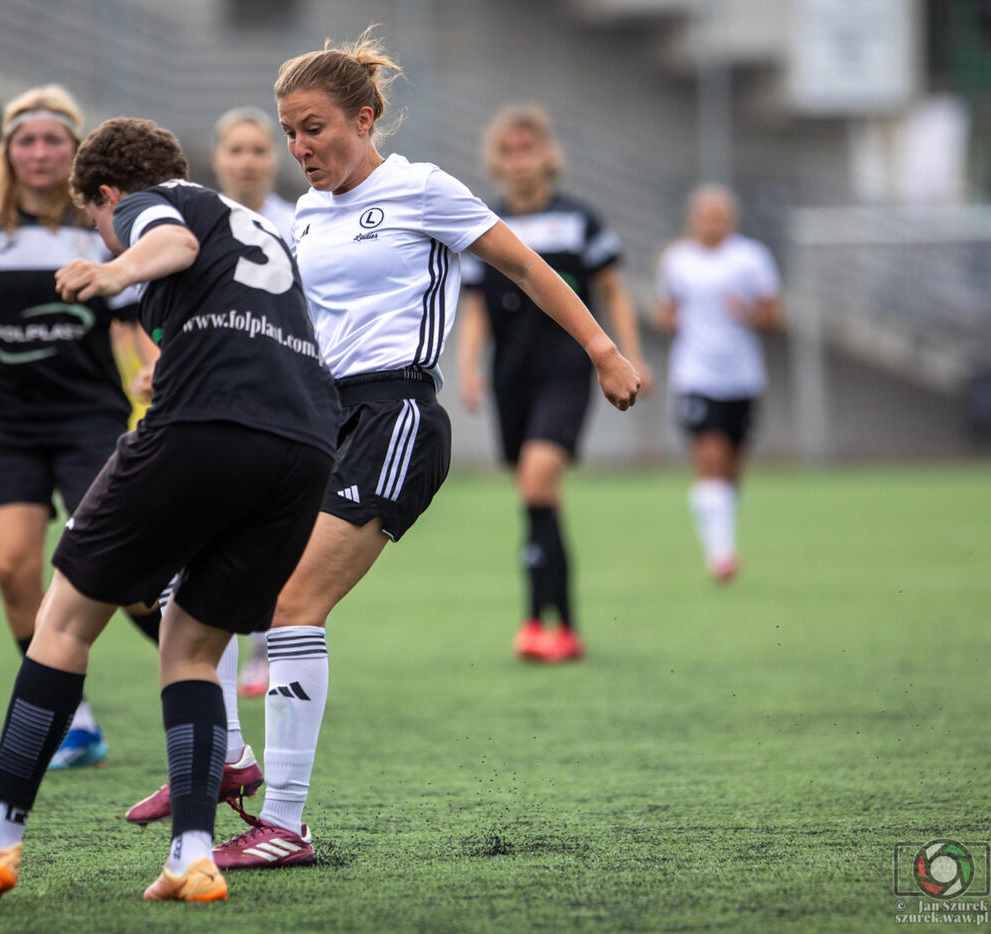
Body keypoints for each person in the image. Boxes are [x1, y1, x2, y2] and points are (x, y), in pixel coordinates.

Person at [162, 30, 638, 870]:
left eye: (314, 127)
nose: (300, 149)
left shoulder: (422, 189)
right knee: (201, 569)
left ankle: (285, 824)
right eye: (290, 132)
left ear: (365, 116)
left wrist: (602, 350)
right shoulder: (306, 214)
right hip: (309, 419)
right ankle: (228, 759)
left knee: (291, 605)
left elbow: (525, 268)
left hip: (395, 418)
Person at [0, 116, 338, 903]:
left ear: (107, 193)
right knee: (191, 645)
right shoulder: (254, 221)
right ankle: (192, 853)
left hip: (206, 431)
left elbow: (170, 245)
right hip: (301, 450)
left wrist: (111, 270)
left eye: (94, 216)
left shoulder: (148, 207)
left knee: (60, 621)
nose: (97, 232)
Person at [0, 84, 162, 769]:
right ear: (9, 151)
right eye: (26, 140)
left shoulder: (98, 225)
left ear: (74, 150)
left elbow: (132, 321)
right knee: (11, 569)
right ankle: (75, 720)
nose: (39, 151)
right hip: (5, 423)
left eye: (53, 140)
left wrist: (160, 366)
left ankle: (203, 668)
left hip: (91, 417)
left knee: (123, 574)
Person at [458, 103, 653, 665]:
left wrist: (628, 354)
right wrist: (469, 368)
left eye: (529, 149)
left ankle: (548, 625)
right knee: (534, 497)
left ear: (549, 156)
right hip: (510, 376)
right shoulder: (484, 225)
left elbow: (614, 289)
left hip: (567, 370)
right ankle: (552, 624)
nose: (520, 161)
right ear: (496, 162)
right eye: (509, 151)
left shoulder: (579, 221)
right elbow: (474, 307)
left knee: (539, 481)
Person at [654, 184, 781, 582]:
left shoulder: (751, 258)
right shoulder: (677, 260)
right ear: (694, 219)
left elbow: (773, 315)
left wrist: (747, 314)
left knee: (732, 471)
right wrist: (673, 321)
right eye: (707, 216)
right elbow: (666, 312)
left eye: (721, 216)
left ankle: (721, 536)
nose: (714, 223)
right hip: (696, 374)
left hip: (742, 376)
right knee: (709, 460)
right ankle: (721, 556)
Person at [211, 105, 296, 698]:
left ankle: (269, 645)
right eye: (236, 150)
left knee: (273, 526)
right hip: (214, 394)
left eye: (259, 150)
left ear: (275, 158)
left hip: (283, 395)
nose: (247, 161)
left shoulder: (299, 224)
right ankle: (225, 645)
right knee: (220, 524)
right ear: (218, 158)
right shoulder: (198, 224)